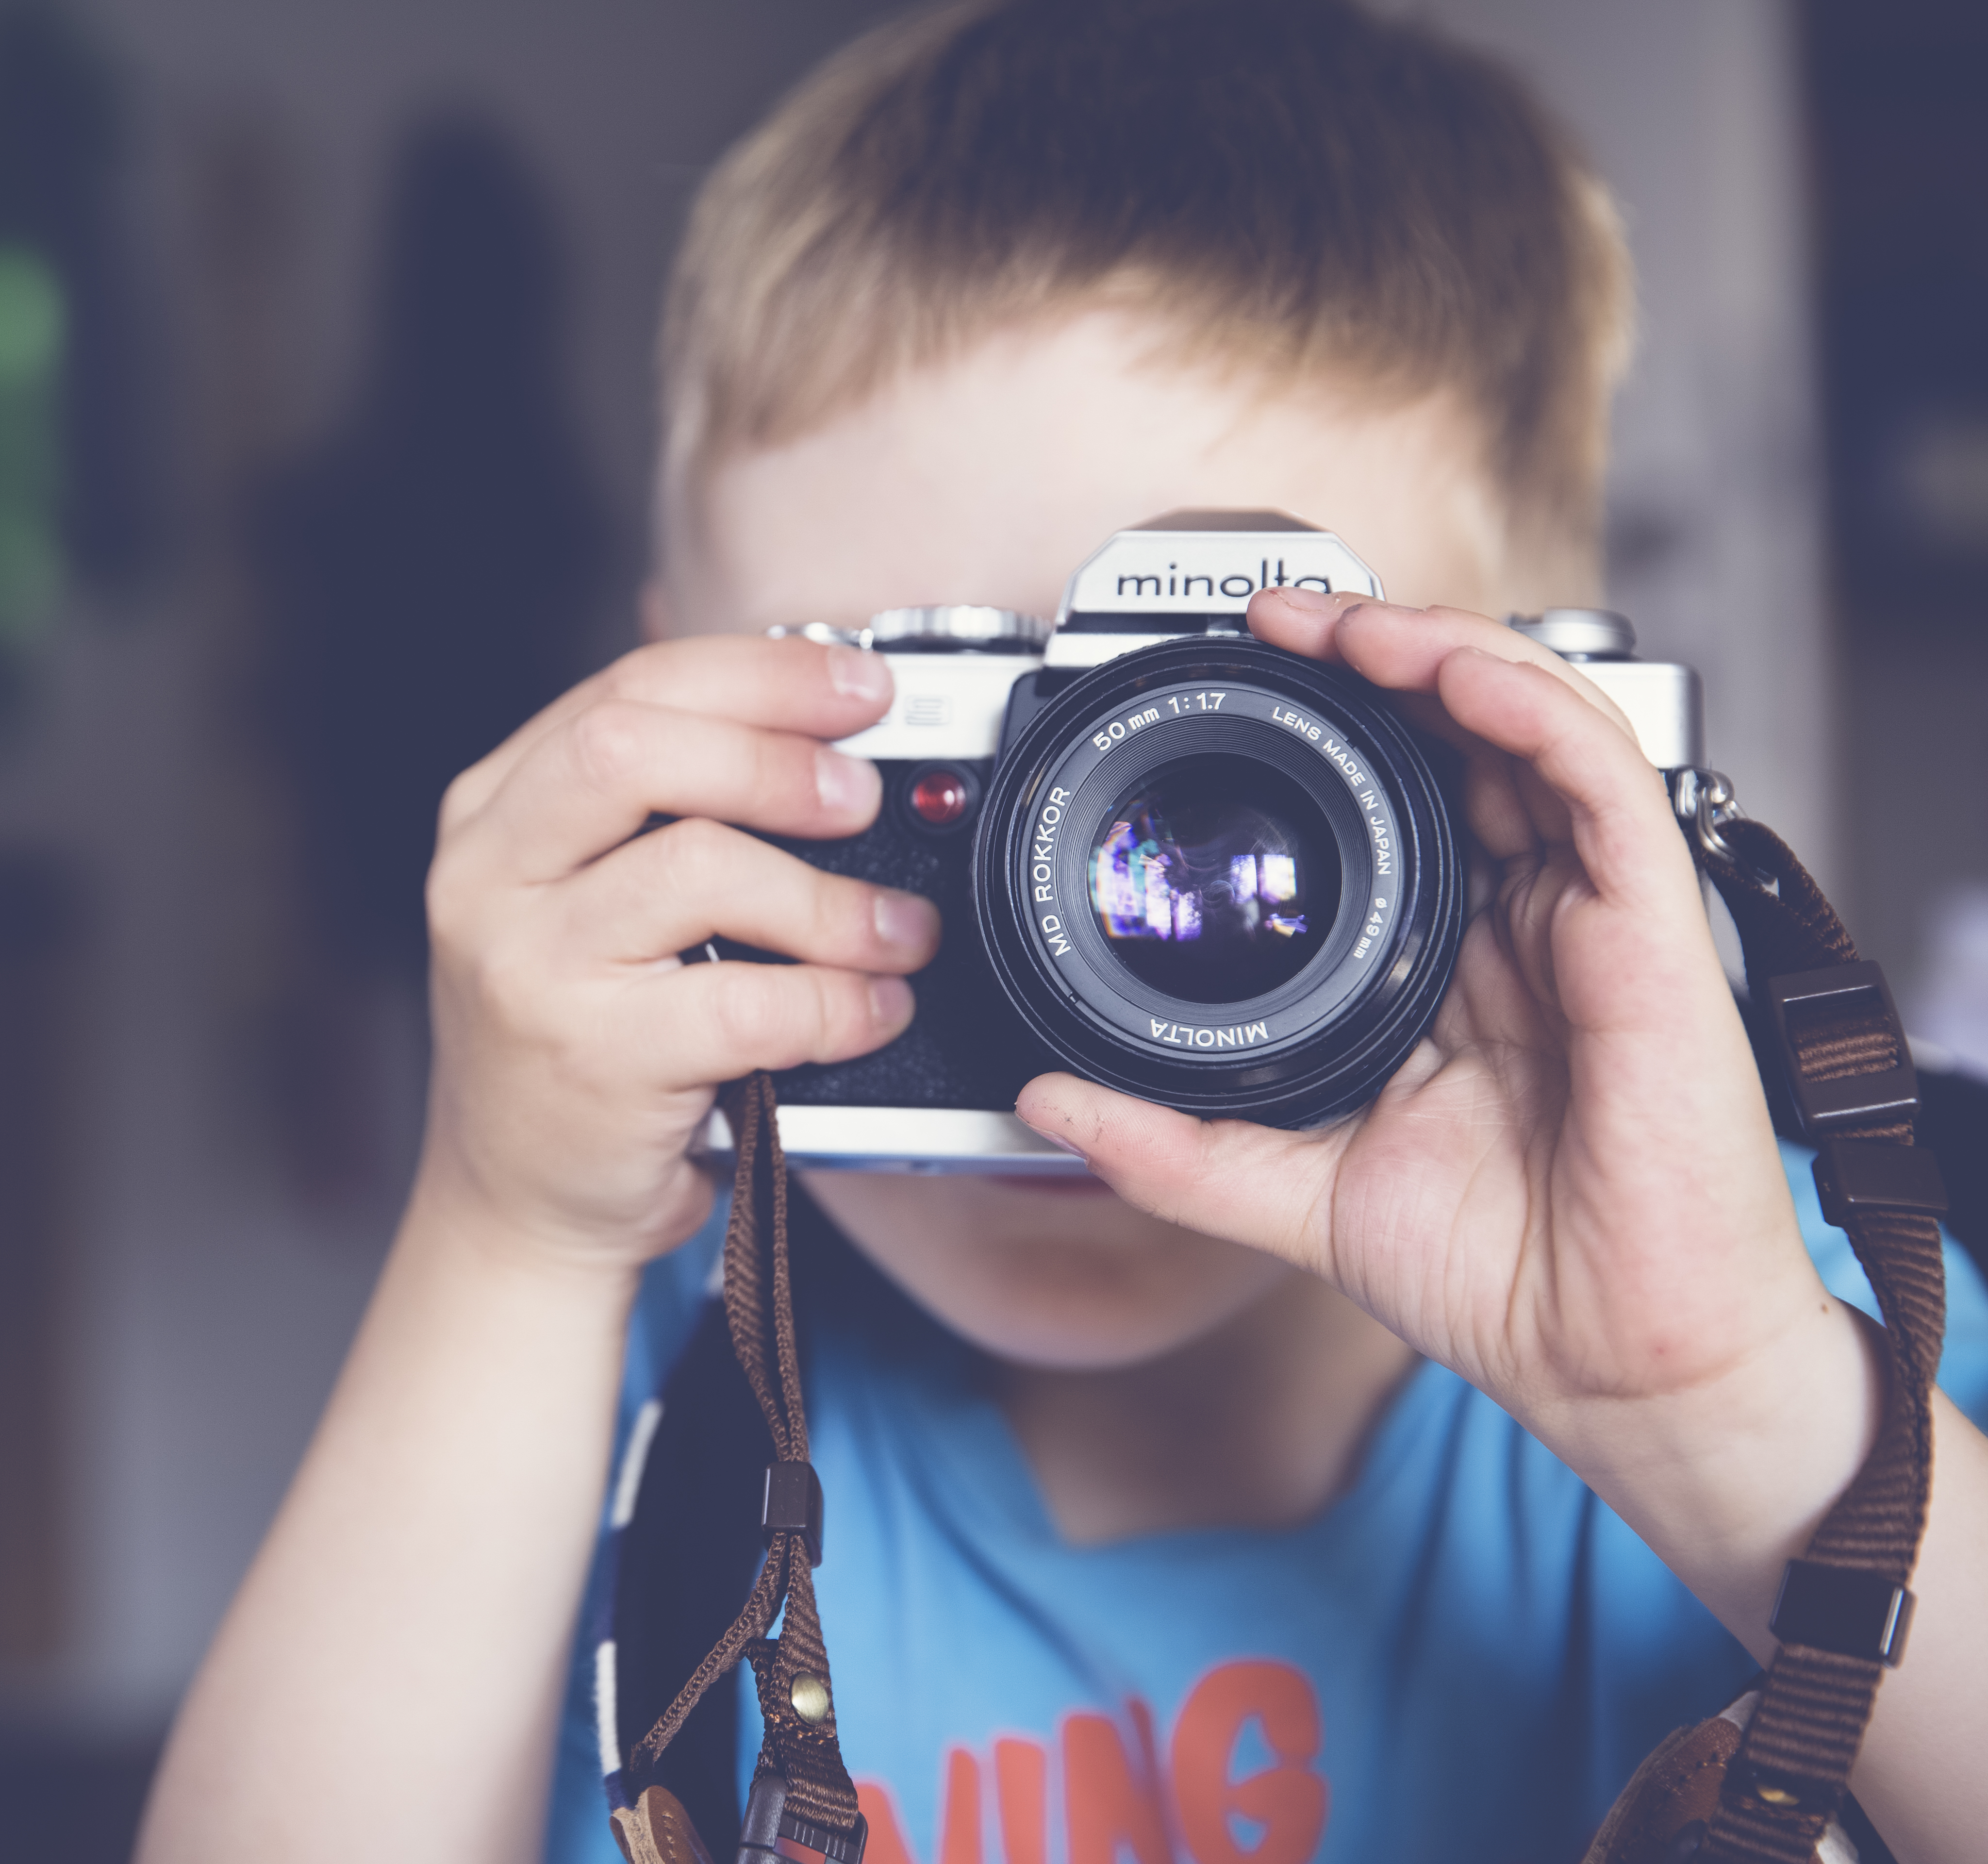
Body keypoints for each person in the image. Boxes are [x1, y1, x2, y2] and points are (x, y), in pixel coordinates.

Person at [136, 3, 1988, 1860]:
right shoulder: (634, 1407)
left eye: (1237, 755)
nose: (1082, 959)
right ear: (668, 715)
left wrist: (1736, 1427)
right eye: (945, 734)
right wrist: (509, 1227)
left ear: (1539, 743)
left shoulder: (1781, 1327)